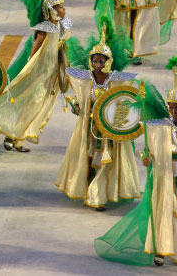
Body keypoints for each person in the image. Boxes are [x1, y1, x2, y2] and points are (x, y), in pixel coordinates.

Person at [95, 57, 177, 268]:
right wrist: (146, 158)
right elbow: (147, 152)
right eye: (171, 108)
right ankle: (161, 250)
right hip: (166, 181)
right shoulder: (159, 129)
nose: (173, 112)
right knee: (164, 217)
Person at [0, 0, 71, 152]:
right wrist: (29, 71)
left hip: (50, 73)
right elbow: (35, 52)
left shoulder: (63, 25)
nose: (63, 9)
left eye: (62, 5)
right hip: (37, 74)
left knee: (33, 107)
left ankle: (18, 138)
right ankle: (11, 136)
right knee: (25, 103)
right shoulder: (45, 28)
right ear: (50, 9)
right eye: (58, 6)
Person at [56, 18, 140, 210]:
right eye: (94, 61)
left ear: (108, 62)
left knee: (104, 160)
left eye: (101, 61)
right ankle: (89, 186)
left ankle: (98, 195)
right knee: (89, 158)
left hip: (108, 129)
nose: (97, 65)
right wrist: (77, 106)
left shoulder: (116, 80)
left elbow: (127, 97)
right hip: (88, 126)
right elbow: (78, 95)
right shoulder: (86, 79)